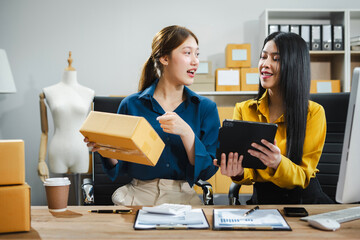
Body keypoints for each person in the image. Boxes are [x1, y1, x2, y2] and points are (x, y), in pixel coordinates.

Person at [86, 25, 220, 206]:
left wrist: (186, 133)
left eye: (197, 54)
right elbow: (121, 167)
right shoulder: (131, 105)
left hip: (183, 200)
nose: (195, 61)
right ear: (164, 58)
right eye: (187, 53)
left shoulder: (206, 109)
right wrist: (104, 147)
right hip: (137, 197)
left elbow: (207, 170)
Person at [214, 32, 333, 204]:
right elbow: (250, 173)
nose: (265, 64)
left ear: (294, 65)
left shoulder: (314, 113)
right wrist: (238, 173)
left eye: (276, 59)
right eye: (263, 57)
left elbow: (303, 176)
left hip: (304, 202)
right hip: (263, 200)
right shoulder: (244, 109)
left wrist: (278, 162)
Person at [38, 52, 95, 182]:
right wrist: (40, 160)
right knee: (59, 193)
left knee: (79, 196)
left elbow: (92, 129)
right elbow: (44, 131)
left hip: (81, 150)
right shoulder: (49, 92)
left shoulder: (89, 93)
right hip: (57, 150)